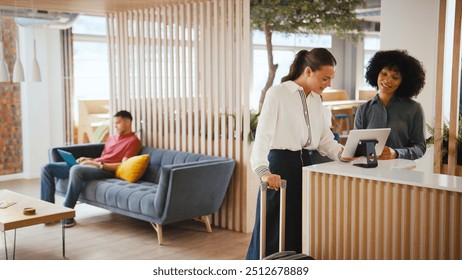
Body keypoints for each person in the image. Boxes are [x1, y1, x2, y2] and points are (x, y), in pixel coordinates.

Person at [246, 48, 347, 260]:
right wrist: (264, 171)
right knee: (272, 231)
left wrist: (343, 153)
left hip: (305, 167)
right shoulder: (278, 94)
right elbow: (262, 137)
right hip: (279, 169)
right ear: (308, 71)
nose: (328, 84)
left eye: (331, 79)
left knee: (298, 229)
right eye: (325, 78)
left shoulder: (316, 100)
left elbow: (324, 139)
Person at [40, 110, 142, 227]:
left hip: (106, 170)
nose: (115, 126)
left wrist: (97, 164)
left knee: (76, 169)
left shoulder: (133, 141)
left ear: (128, 122)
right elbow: (104, 156)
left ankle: (67, 213)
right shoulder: (111, 138)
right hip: (95, 164)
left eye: (118, 123)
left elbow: (123, 165)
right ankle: (48, 214)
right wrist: (88, 159)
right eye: (114, 123)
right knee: (47, 167)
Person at [354, 50, 426, 160]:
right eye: (384, 73)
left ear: (403, 81)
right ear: (376, 73)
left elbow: (420, 148)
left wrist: (396, 153)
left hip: (401, 172)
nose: (387, 80)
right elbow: (355, 146)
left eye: (395, 77)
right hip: (369, 172)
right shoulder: (363, 110)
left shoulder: (414, 109)